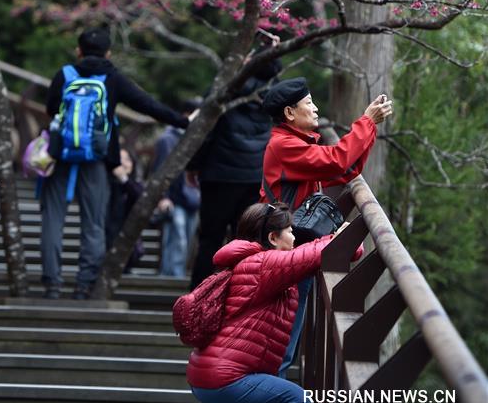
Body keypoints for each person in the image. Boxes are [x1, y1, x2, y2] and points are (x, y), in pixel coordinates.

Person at [42, 25, 191, 299]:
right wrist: (182, 120)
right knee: (94, 223)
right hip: (98, 160)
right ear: (108, 53)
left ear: (78, 50)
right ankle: (83, 285)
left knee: (53, 221)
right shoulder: (112, 78)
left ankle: (52, 284)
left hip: (60, 157)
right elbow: (146, 104)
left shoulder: (64, 75)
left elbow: (52, 109)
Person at [260, 76, 393, 377]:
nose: (316, 109)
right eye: (309, 103)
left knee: (286, 341)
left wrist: (368, 128)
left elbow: (346, 169)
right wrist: (366, 122)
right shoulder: (284, 146)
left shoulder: (293, 143)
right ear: (290, 114)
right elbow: (336, 161)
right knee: (282, 344)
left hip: (293, 245)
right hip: (287, 252)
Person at [187, 202, 362, 403]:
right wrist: (342, 236)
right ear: (272, 238)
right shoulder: (263, 265)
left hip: (212, 376)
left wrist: (347, 242)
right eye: (290, 231)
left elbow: (334, 254)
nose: (294, 237)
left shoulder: (258, 263)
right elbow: (315, 253)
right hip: (223, 380)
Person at [188, 55, 282, 290]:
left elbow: (205, 126)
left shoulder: (229, 87)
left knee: (210, 239)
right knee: (246, 241)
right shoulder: (274, 93)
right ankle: (237, 297)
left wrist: (194, 165)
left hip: (219, 175)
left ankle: (199, 297)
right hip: (253, 176)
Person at [151, 102, 201, 277]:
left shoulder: (195, 137)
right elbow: (159, 169)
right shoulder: (168, 139)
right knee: (177, 238)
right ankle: (172, 276)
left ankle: (173, 274)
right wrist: (162, 196)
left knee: (185, 240)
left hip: (192, 197)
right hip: (175, 196)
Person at [105, 146, 144, 273]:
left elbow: (140, 198)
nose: (122, 163)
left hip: (127, 245)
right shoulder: (106, 186)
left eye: (126, 159)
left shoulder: (135, 186)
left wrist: (124, 179)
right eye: (119, 159)